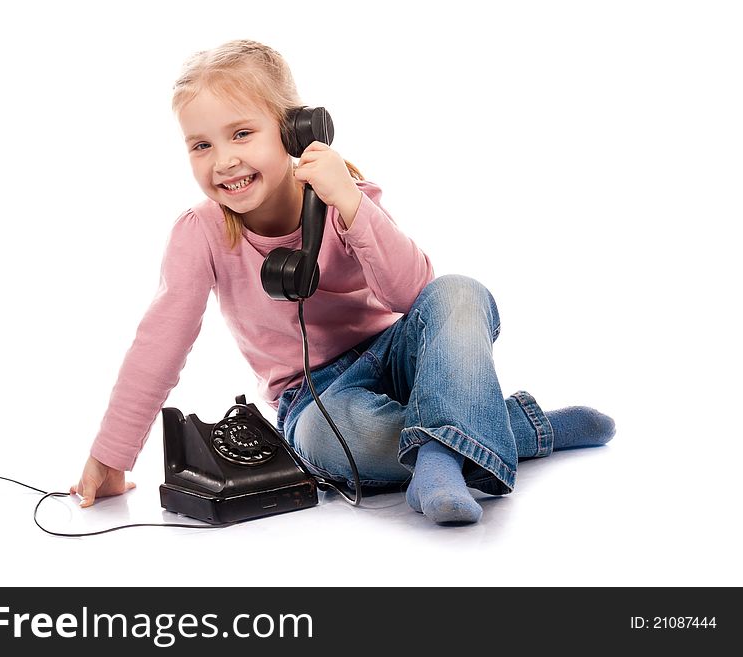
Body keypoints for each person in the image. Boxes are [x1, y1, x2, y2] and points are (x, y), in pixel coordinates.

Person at [71, 39, 615, 525]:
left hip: (400, 356)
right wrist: (111, 456)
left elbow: (413, 292)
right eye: (201, 145)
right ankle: (516, 430)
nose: (224, 161)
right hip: (314, 397)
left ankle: (443, 453)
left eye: (241, 134)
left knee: (460, 290)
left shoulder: (343, 194)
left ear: (291, 130)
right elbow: (158, 346)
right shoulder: (201, 234)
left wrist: (348, 203)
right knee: (336, 445)